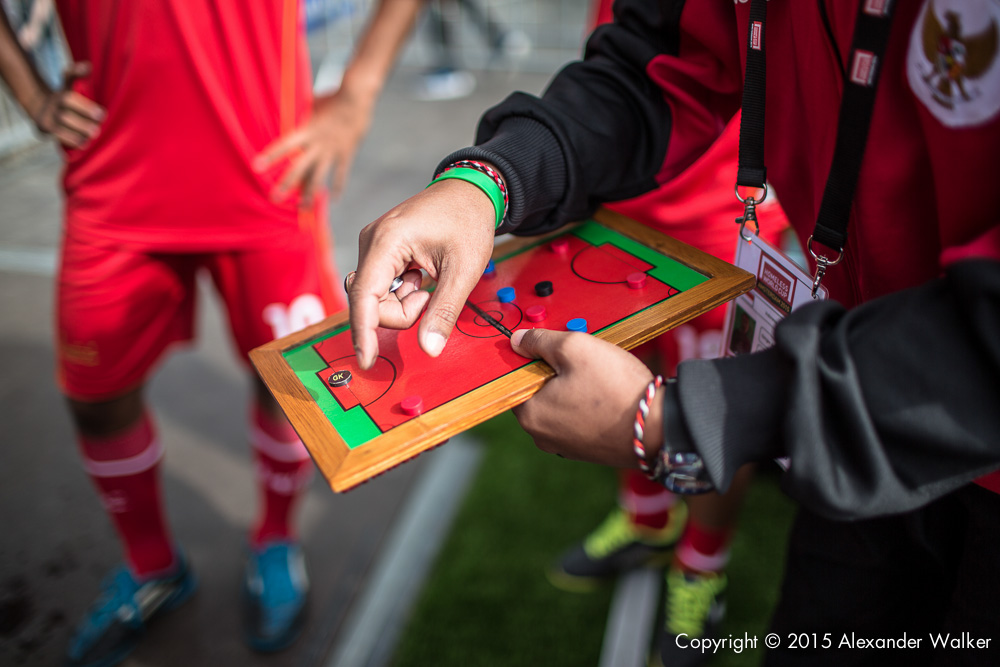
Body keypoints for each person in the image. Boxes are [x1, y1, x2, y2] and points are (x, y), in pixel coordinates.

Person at [347, 1, 1000, 664]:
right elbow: (656, 63)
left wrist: (690, 420)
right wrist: (490, 178)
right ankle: (651, 524)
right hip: (847, 427)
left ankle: (700, 564)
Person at [0, 0, 424, 663]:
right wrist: (29, 90)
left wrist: (357, 93)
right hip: (113, 181)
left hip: (267, 173)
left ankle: (276, 541)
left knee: (295, 385)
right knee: (94, 391)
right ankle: (152, 566)